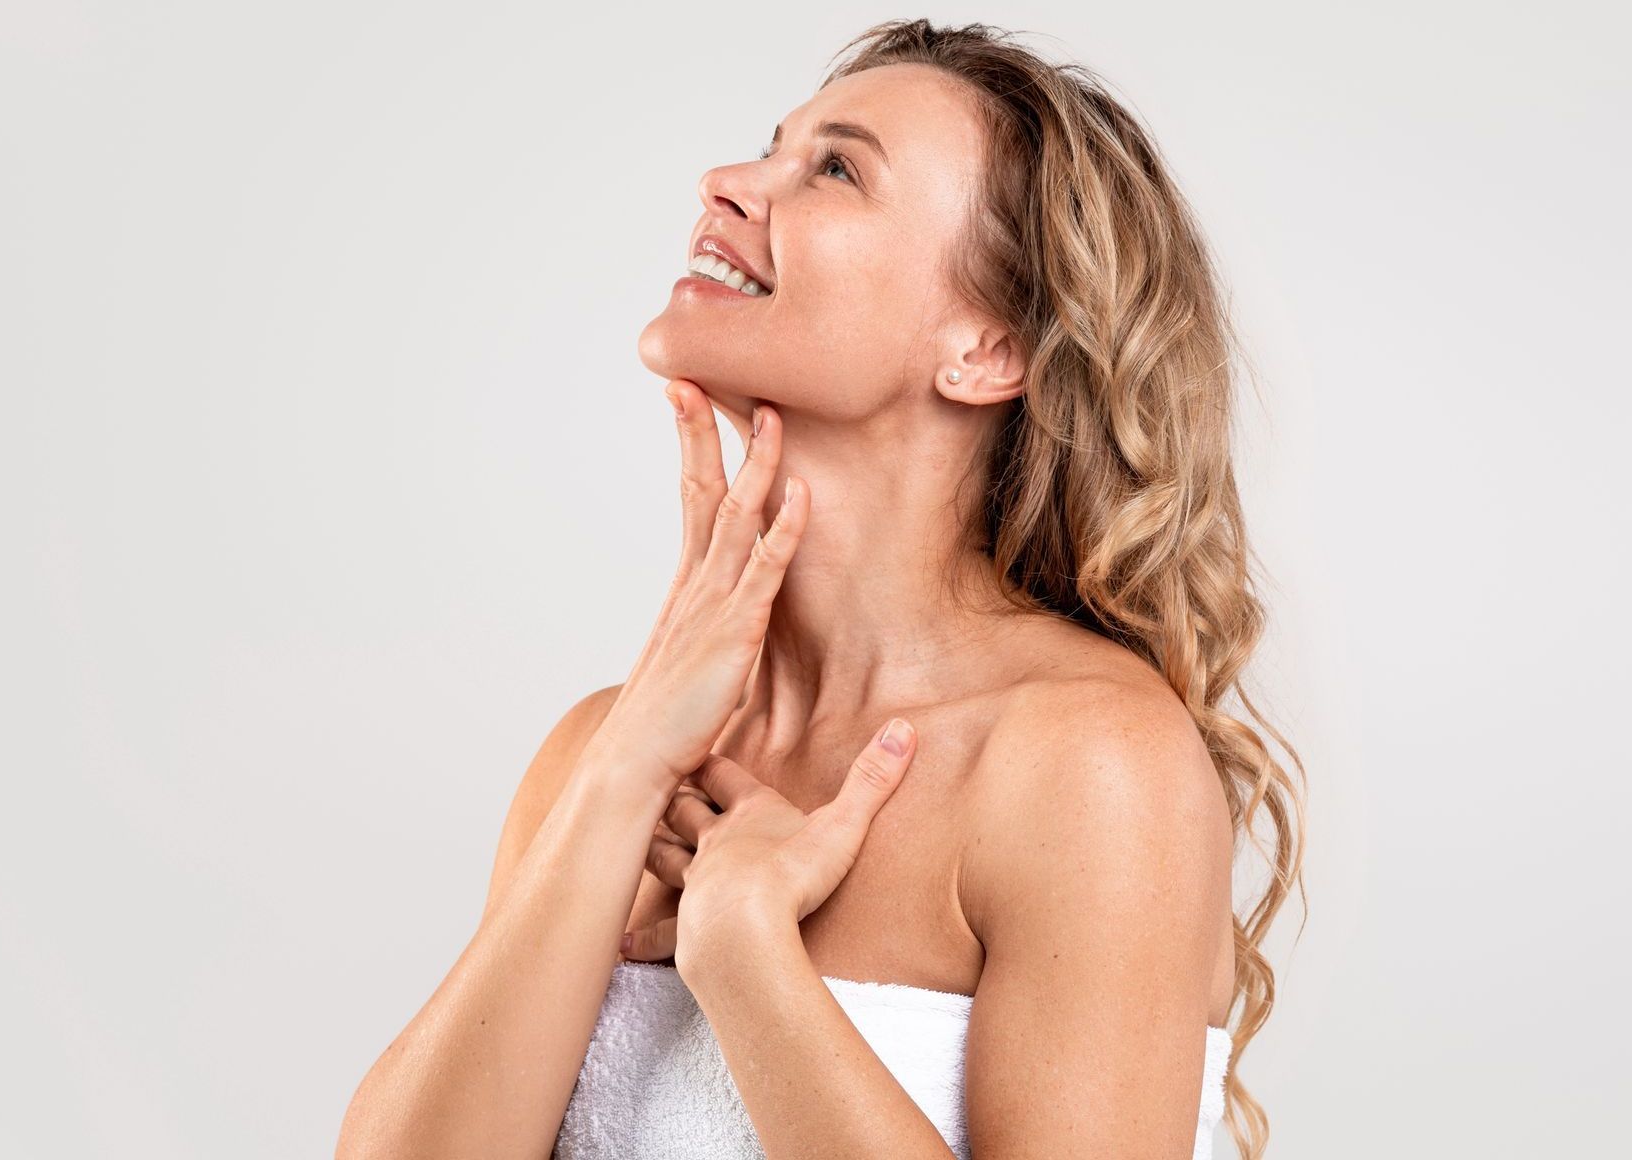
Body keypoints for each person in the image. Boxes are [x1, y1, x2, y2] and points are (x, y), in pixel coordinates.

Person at [337, 18, 1306, 1160]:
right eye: (772, 147)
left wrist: (748, 958)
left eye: (834, 168)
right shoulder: (603, 754)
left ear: (987, 347)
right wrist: (621, 775)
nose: (729, 183)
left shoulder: (1087, 764)